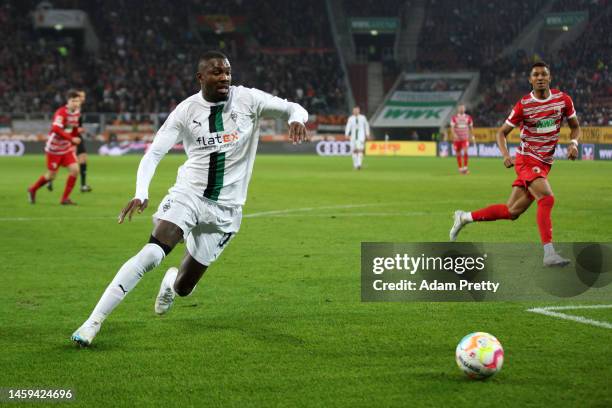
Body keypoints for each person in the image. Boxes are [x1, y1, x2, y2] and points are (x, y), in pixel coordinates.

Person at [71, 51, 308, 347]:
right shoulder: (186, 111)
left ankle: (171, 283)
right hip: (189, 194)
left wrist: (296, 119)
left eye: (227, 72)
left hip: (226, 210)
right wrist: (141, 192)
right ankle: (92, 323)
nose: (224, 77)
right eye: (216, 72)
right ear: (200, 77)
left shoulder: (248, 99)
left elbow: (293, 107)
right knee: (151, 254)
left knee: (184, 287)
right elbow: (154, 152)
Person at [449, 61, 581, 267]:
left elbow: (575, 126)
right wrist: (504, 154)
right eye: (535, 75)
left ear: (550, 77)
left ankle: (464, 217)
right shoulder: (524, 105)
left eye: (543, 74)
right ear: (530, 80)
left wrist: (574, 143)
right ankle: (549, 254)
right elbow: (501, 132)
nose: (539, 78)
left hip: (545, 163)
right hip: (527, 159)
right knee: (546, 198)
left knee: (512, 212)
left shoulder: (563, 100)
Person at [28, 89, 82, 205]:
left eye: (77, 101)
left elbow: (74, 128)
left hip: (66, 148)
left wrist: (74, 139)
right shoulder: (61, 112)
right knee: (51, 176)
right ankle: (32, 189)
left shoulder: (77, 112)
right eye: (73, 101)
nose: (76, 103)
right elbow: (56, 129)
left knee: (75, 170)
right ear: (68, 101)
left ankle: (65, 199)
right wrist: (71, 139)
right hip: (54, 149)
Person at [47, 90, 92, 192]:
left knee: (83, 158)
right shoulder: (68, 110)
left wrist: (79, 129)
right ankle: (50, 180)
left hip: (76, 136)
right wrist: (73, 135)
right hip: (68, 137)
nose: (82, 98)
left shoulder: (78, 109)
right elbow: (62, 125)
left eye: (83, 96)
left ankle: (83, 184)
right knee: (69, 160)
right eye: (81, 96)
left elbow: (76, 125)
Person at [450, 104, 475, 174]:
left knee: (465, 151)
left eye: (463, 108)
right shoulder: (454, 118)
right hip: (457, 139)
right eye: (460, 108)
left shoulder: (468, 117)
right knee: (458, 153)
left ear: (464, 109)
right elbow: (452, 128)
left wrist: (472, 136)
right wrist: (454, 135)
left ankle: (465, 168)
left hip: (465, 138)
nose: (461, 109)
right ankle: (460, 168)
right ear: (458, 109)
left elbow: (471, 127)